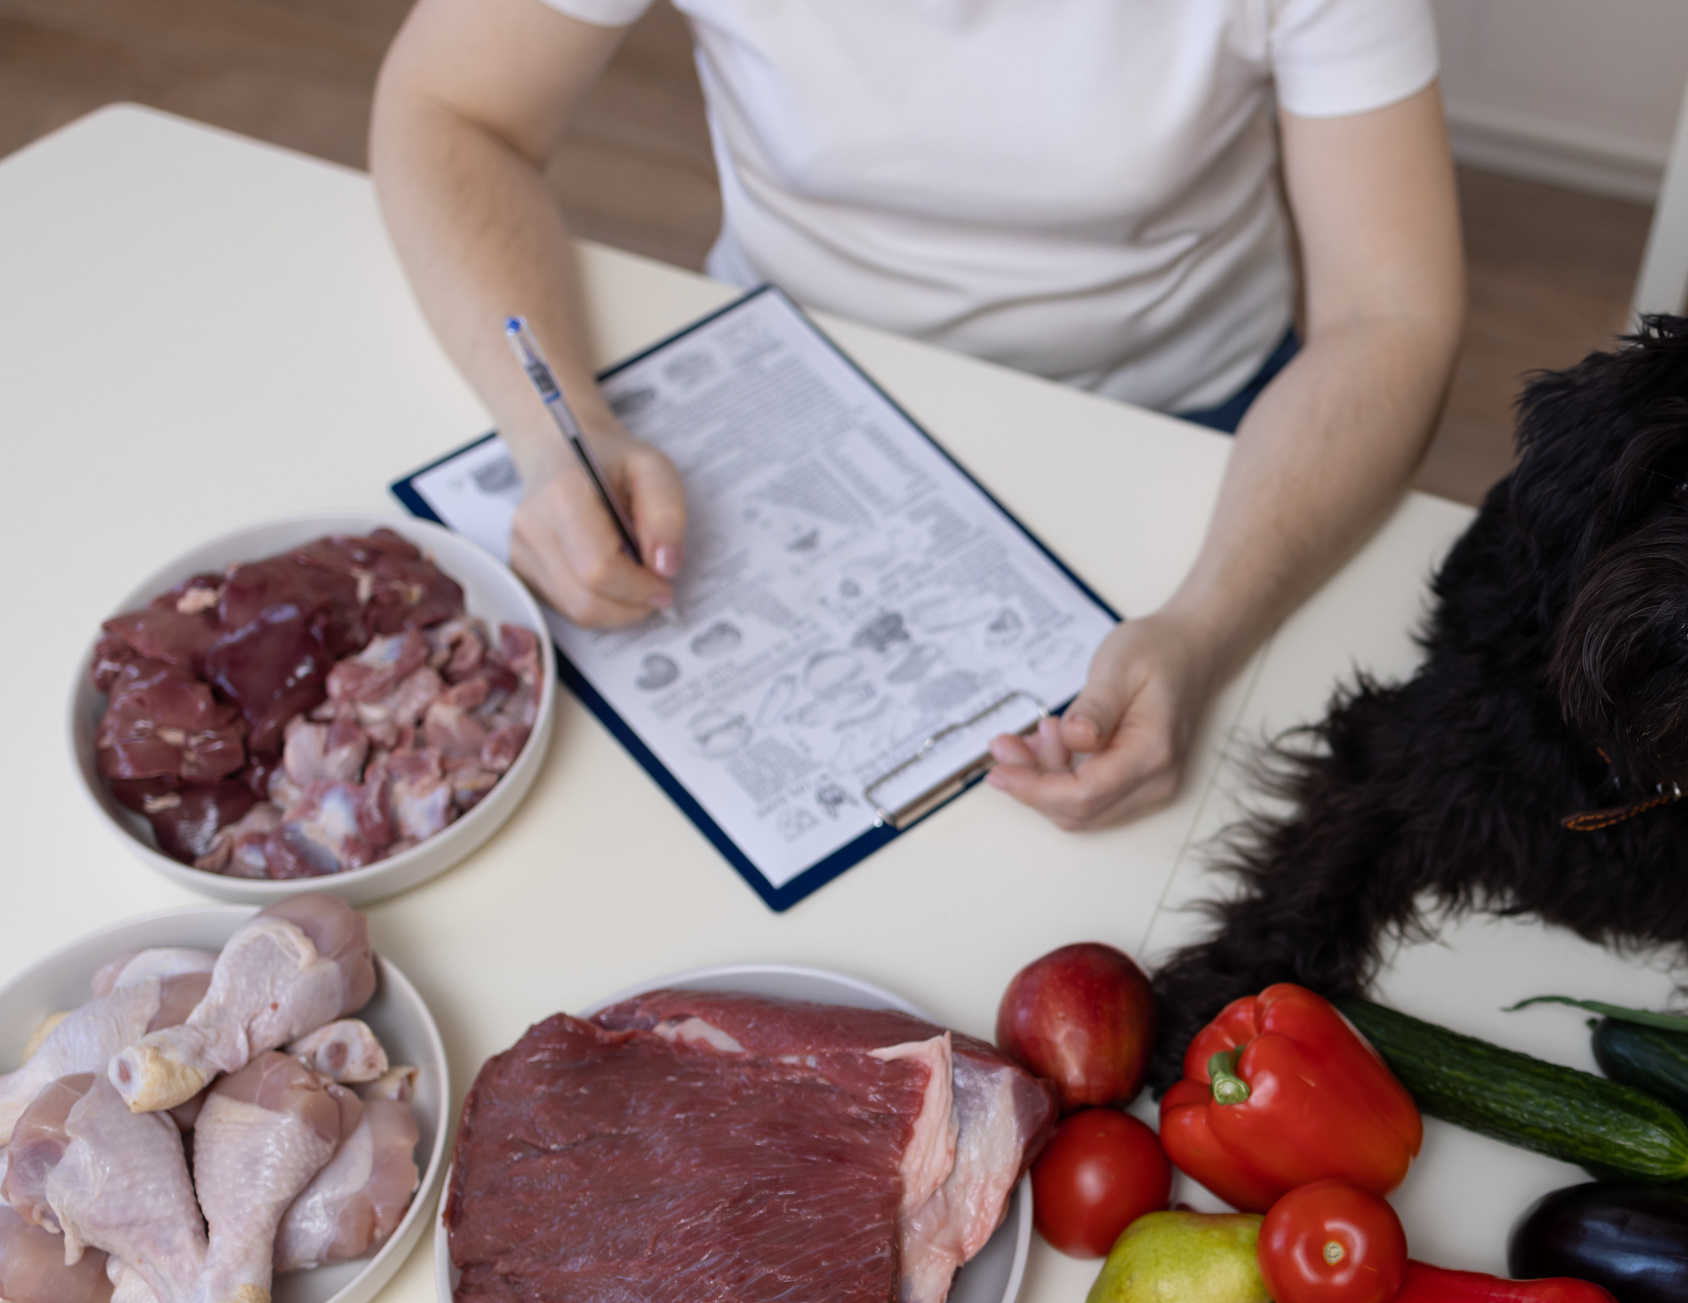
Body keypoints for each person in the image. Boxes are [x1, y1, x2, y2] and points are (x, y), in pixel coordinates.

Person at [370, 0, 1465, 830]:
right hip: (790, 399)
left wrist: (1206, 625)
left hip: (1177, 424)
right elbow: (450, 107)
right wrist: (557, 432)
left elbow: (1391, 312)